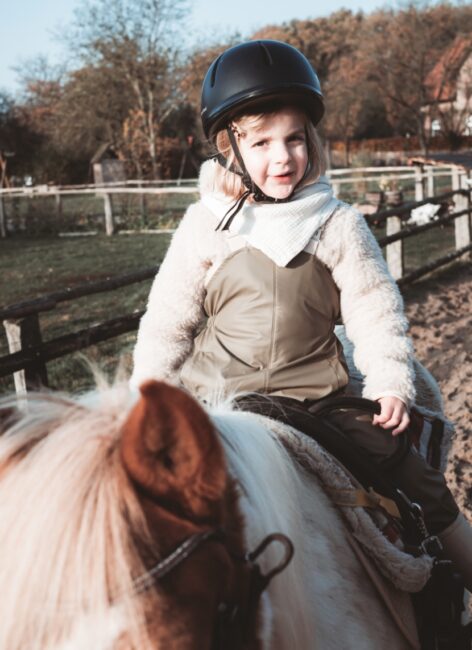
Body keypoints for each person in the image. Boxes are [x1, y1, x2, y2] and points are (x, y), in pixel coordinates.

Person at [131, 40, 471, 589]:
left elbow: (374, 309)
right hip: (214, 399)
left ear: (311, 140)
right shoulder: (206, 224)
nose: (282, 157)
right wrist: (147, 396)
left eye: (294, 139)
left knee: (412, 476)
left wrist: (388, 382)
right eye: (262, 142)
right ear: (229, 149)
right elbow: (169, 320)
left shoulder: (335, 223)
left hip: (317, 401)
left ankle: (457, 587)